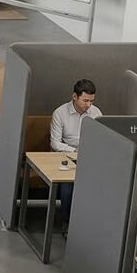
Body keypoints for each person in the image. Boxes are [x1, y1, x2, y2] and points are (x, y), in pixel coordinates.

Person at [49, 79, 101, 221]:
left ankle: (90, 220)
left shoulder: (96, 113)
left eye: (91, 101)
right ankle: (68, 221)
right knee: (68, 184)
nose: (89, 105)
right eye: (85, 101)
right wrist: (74, 151)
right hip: (65, 156)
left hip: (89, 156)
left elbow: (101, 139)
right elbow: (55, 143)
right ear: (74, 97)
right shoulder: (60, 113)